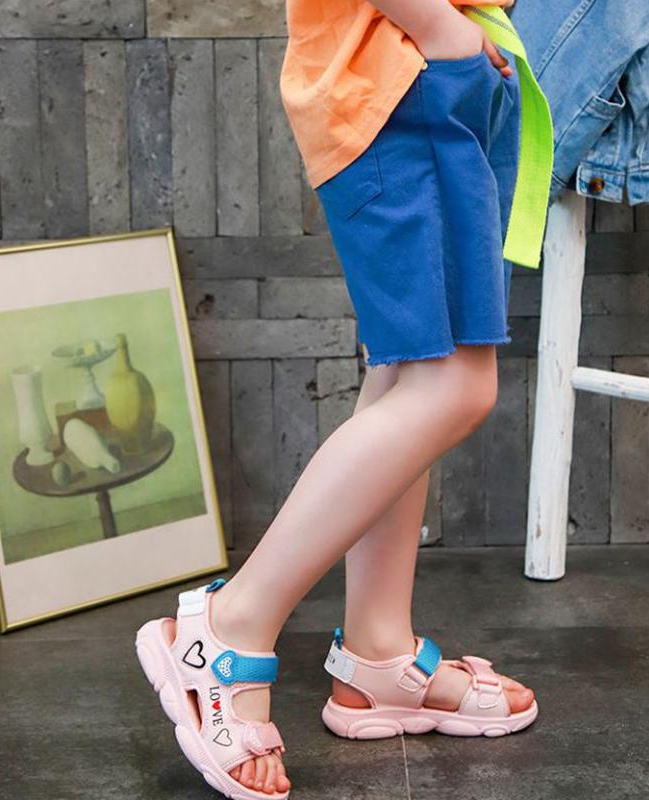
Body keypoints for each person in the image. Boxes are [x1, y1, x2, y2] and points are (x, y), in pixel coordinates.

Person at [136, 2, 540, 797]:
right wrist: (443, 33)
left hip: (431, 63)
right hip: (406, 66)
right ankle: (229, 625)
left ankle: (378, 654)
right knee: (454, 386)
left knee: (414, 372)